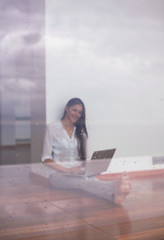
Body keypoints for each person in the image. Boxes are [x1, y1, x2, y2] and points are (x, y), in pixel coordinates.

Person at [42, 98, 131, 205]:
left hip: (78, 172)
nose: (77, 114)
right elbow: (45, 159)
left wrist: (93, 168)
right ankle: (114, 185)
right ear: (67, 108)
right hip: (58, 175)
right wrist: (67, 170)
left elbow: (84, 159)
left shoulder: (81, 132)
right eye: (74, 110)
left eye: (80, 112)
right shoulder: (52, 128)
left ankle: (114, 197)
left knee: (90, 180)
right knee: (84, 182)